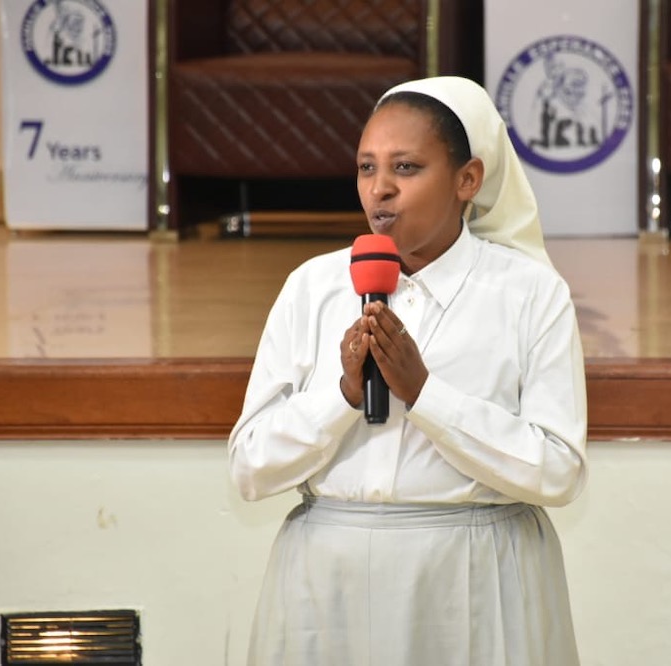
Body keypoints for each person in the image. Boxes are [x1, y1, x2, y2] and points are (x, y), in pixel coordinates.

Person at [228, 75, 588, 665]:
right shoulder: (313, 286)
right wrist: (343, 395)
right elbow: (248, 470)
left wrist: (425, 394)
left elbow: (559, 471)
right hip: (327, 582)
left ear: (468, 179)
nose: (381, 191)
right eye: (367, 168)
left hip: (474, 580)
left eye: (406, 168)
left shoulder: (529, 293)